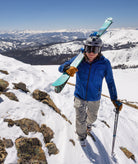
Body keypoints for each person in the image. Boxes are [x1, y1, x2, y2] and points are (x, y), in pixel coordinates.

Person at [58, 36, 123, 146]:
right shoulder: (79, 59)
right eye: (89, 49)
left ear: (100, 50)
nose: (91, 53)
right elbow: (60, 67)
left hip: (94, 97)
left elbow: (110, 82)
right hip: (79, 95)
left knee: (92, 117)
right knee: (80, 119)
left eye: (95, 49)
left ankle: (88, 124)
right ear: (85, 48)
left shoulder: (105, 63)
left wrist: (114, 99)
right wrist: (66, 69)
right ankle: (82, 137)